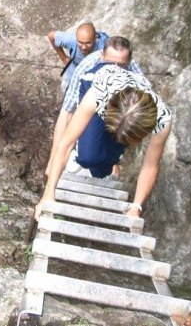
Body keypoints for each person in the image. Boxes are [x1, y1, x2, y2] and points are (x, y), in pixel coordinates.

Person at [35, 63, 172, 220]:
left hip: (123, 104)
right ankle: (81, 156)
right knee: (87, 156)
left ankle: (108, 165)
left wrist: (136, 207)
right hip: (98, 83)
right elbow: (66, 142)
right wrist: (49, 192)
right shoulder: (98, 94)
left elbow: (150, 165)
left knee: (106, 165)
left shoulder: (163, 120)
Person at [46, 36, 144, 177]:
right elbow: (66, 112)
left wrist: (114, 157)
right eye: (110, 63)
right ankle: (81, 153)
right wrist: (53, 160)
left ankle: (107, 162)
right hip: (92, 108)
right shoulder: (87, 69)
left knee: (102, 169)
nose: (114, 70)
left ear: (128, 62)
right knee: (88, 158)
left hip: (118, 111)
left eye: (121, 65)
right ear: (102, 56)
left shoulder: (134, 72)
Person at [48, 22, 109, 94]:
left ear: (95, 38)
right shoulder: (71, 40)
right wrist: (63, 58)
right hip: (74, 70)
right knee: (66, 91)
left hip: (94, 76)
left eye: (88, 43)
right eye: (80, 43)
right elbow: (51, 36)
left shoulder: (105, 48)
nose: (84, 47)